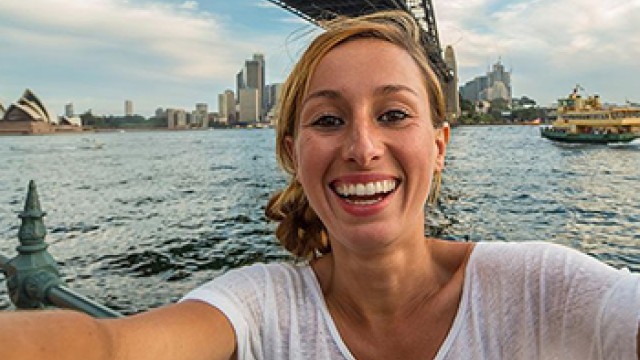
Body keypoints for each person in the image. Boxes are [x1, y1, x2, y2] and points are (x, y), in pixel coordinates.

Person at [1, 10, 639, 360]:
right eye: (329, 120)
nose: (362, 147)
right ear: (291, 153)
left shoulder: (543, 288)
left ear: (440, 145)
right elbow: (111, 347)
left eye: (393, 115)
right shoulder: (258, 308)